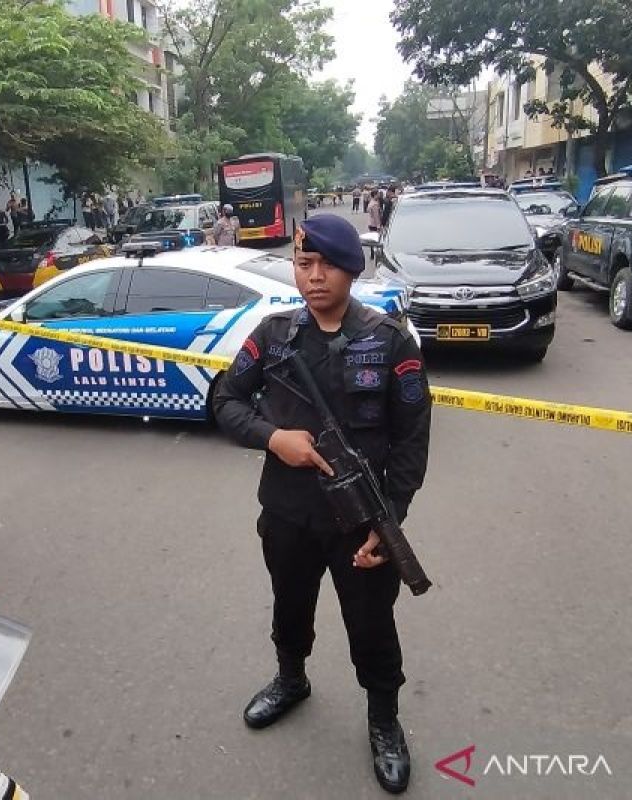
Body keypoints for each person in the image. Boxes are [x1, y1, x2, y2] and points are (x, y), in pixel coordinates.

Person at [213, 215, 431, 794]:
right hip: (287, 512)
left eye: (327, 265)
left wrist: (392, 520)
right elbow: (226, 400)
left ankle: (383, 717)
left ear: (352, 269)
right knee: (289, 603)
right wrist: (272, 438)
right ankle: (291, 679)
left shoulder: (390, 342)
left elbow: (412, 440)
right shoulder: (273, 334)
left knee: (371, 623)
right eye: (303, 264)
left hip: (361, 517)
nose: (313, 277)